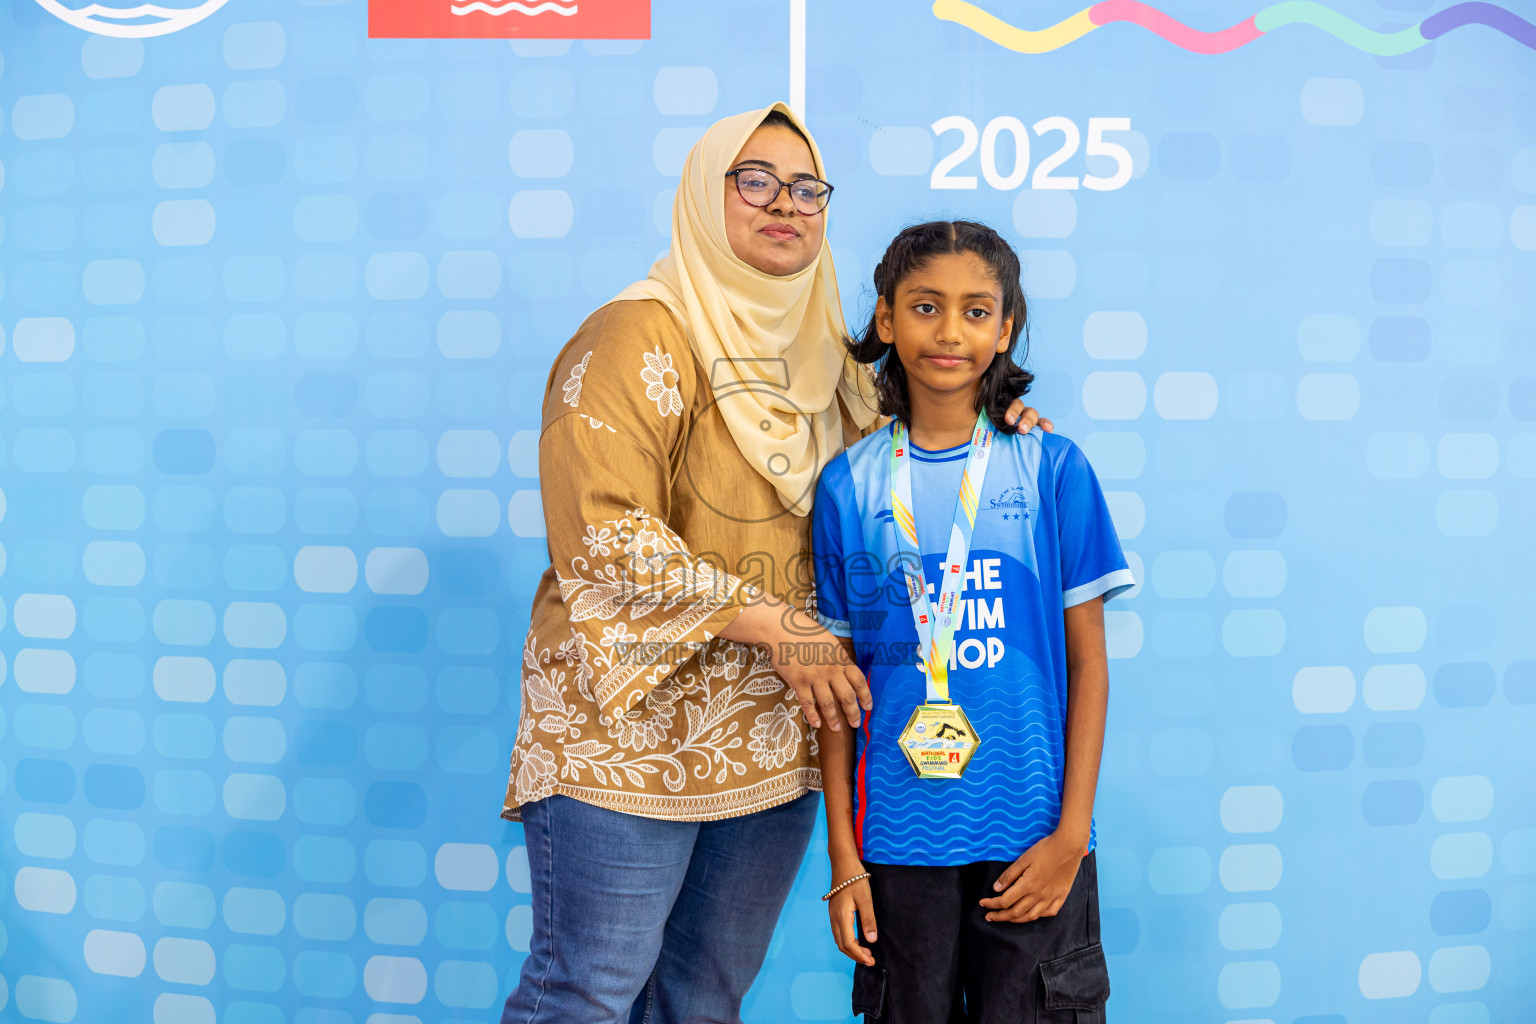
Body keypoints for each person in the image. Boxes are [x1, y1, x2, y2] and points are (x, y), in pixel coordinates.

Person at [499, 109, 1048, 1024]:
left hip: (773, 740)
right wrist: (781, 624)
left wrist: (1006, 424)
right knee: (586, 996)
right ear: (705, 194)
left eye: (805, 188)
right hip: (625, 739)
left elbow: (915, 462)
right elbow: (599, 534)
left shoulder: (832, 359)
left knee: (704, 999)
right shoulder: (634, 337)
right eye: (753, 180)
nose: (783, 204)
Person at [812, 221, 1132, 1023]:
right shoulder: (848, 486)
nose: (950, 331)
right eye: (925, 307)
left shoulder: (1051, 467)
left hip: (1031, 838)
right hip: (896, 843)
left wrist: (1071, 838)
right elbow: (835, 691)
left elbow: (1089, 664)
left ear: (1006, 326)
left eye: (976, 311)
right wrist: (844, 858)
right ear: (886, 319)